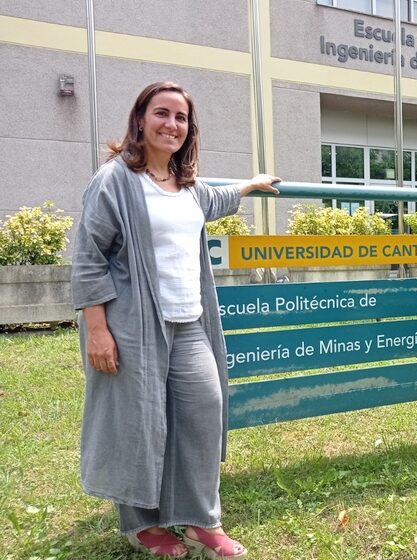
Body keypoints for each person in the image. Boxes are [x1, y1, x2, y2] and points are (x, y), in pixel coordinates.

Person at [71, 81, 281, 559]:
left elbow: (217, 199)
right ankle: (141, 524)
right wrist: (98, 330)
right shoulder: (115, 180)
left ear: (189, 130)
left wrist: (250, 184)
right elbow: (88, 258)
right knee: (137, 423)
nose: (171, 124)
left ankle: (199, 519)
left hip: (189, 324)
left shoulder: (186, 185)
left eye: (181, 118)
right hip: (132, 327)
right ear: (140, 119)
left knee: (203, 412)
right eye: (161, 114)